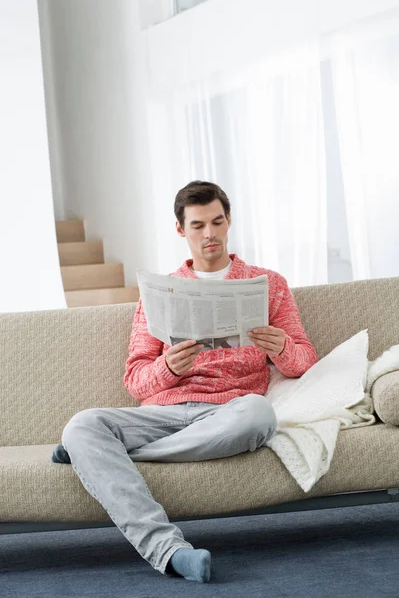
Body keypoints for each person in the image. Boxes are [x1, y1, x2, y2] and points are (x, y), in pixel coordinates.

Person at [52, 180, 318, 583]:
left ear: (229, 221)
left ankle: (103, 457)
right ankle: (170, 550)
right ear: (181, 229)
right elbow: (137, 382)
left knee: (261, 414)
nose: (209, 234)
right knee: (83, 425)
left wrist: (281, 347)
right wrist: (169, 368)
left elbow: (304, 362)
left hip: (231, 412)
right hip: (166, 412)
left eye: (217, 222)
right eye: (197, 226)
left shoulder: (269, 284)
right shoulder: (159, 292)